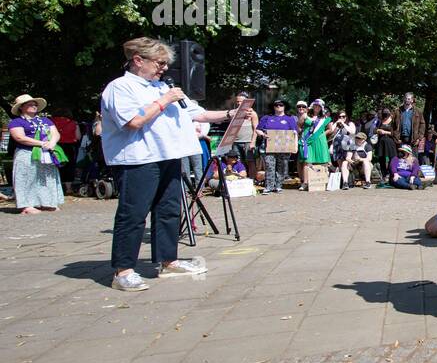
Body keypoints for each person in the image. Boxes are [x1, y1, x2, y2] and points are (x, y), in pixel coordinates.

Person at [101, 37, 250, 291]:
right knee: (133, 215)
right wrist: (164, 101)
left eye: (166, 63)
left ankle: (167, 261)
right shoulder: (121, 87)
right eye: (159, 63)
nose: (164, 68)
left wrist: (230, 115)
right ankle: (123, 270)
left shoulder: (162, 87)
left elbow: (199, 114)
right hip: (138, 160)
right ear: (138, 60)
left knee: (169, 211)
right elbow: (133, 122)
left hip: (168, 156)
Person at [7, 94, 64, 213]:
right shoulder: (16, 122)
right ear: (21, 107)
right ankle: (26, 205)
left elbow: (55, 133)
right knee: (26, 178)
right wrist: (41, 143)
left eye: (35, 104)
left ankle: (47, 202)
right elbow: (20, 137)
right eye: (30, 104)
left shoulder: (45, 120)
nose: (34, 106)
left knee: (47, 178)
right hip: (26, 152)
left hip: (46, 152)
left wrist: (52, 142)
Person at [256, 99, 296, 193]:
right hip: (269, 146)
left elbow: (294, 132)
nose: (279, 106)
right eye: (276, 105)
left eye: (281, 105)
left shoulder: (289, 119)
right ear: (273, 106)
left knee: (281, 167)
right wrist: (262, 134)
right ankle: (269, 186)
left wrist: (294, 146)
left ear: (285, 106)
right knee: (270, 166)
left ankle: (278, 186)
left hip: (284, 147)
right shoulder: (266, 118)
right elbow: (258, 130)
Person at [298, 99, 333, 190]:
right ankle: (305, 183)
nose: (317, 107)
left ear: (322, 108)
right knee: (307, 161)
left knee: (321, 160)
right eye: (315, 105)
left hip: (319, 141)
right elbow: (298, 126)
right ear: (312, 106)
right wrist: (301, 134)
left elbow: (330, 129)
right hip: (307, 140)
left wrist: (322, 135)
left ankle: (321, 181)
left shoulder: (324, 118)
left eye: (319, 106)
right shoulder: (305, 115)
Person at [329, 110, 357, 189]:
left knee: (345, 163)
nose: (341, 118)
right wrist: (336, 123)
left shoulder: (350, 123)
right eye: (339, 116)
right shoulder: (334, 124)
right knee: (341, 165)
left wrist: (344, 124)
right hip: (337, 146)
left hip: (348, 146)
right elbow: (330, 132)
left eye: (343, 116)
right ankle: (345, 181)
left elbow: (352, 132)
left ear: (346, 117)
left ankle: (345, 182)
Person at [372, 107, 398, 182]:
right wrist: (378, 130)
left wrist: (385, 132)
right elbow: (374, 130)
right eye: (384, 112)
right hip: (381, 143)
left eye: (387, 112)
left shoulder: (393, 121)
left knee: (391, 159)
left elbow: (396, 133)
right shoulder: (379, 121)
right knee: (381, 159)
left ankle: (391, 174)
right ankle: (384, 175)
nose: (385, 114)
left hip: (390, 142)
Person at [397, 92, 426, 157]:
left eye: (409, 99)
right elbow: (393, 125)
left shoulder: (417, 111)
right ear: (404, 99)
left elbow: (422, 124)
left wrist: (419, 138)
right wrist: (396, 137)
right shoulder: (398, 110)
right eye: (406, 98)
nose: (407, 100)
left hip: (413, 139)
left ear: (412, 100)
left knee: (413, 158)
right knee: (401, 157)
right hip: (401, 138)